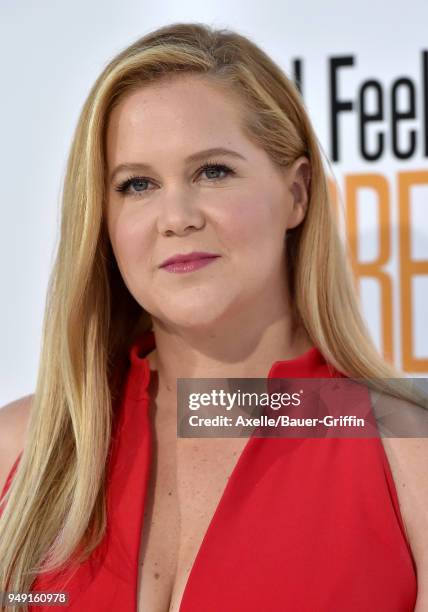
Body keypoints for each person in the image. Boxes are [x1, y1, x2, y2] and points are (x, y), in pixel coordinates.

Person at [0, 22, 427, 612]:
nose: (175, 217)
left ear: (297, 194)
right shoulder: (22, 451)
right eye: (137, 184)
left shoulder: (407, 452)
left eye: (213, 171)